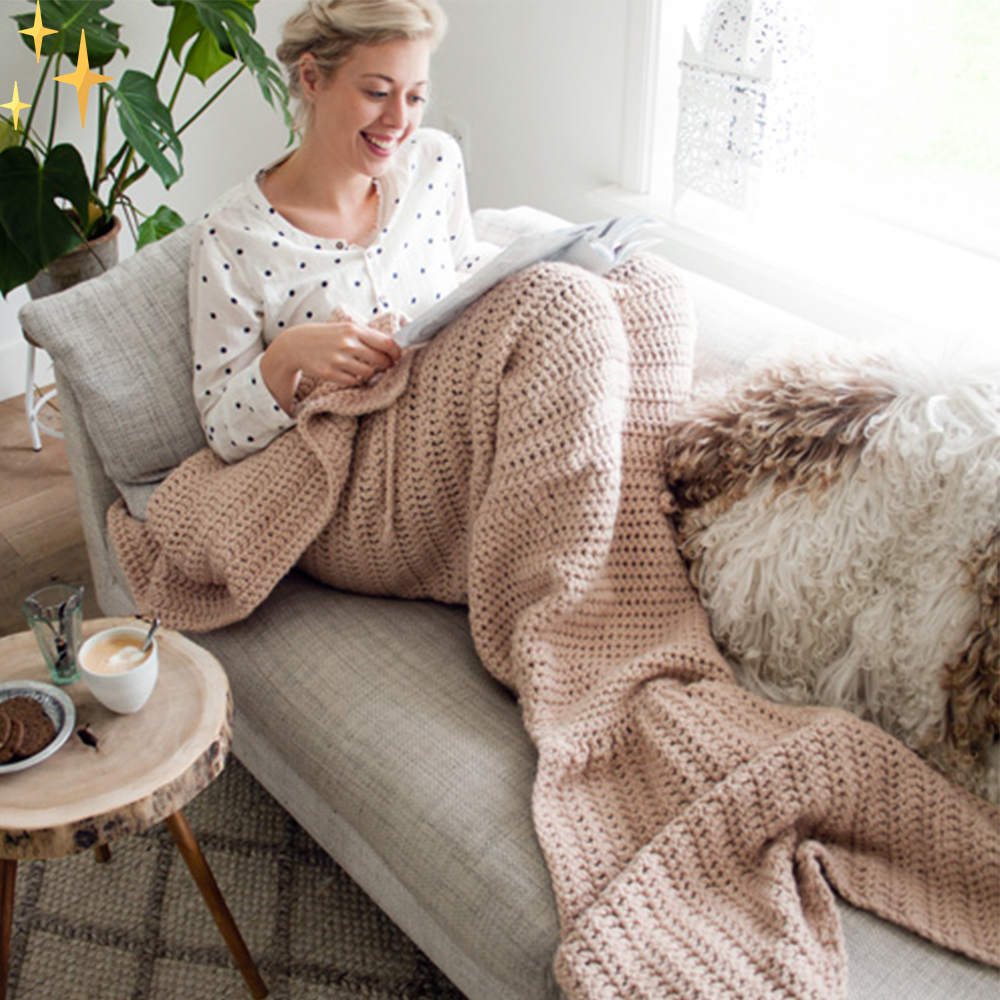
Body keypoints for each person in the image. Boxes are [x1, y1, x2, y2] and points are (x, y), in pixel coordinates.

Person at [189, 0, 493, 463]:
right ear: (311, 79)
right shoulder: (231, 236)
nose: (398, 121)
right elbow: (223, 433)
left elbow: (467, 273)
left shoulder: (434, 161)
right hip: (359, 470)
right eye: (376, 92)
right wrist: (286, 355)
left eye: (415, 97)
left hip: (466, 415)